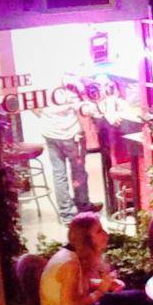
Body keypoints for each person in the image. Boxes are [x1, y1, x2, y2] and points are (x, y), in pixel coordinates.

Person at [39, 212, 149, 305]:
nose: (105, 234)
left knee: (138, 297)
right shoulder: (70, 264)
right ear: (85, 239)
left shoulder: (74, 254)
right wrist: (100, 291)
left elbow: (79, 284)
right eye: (99, 231)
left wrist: (105, 283)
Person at [36, 79, 102, 223]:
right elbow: (84, 108)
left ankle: (66, 214)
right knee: (78, 172)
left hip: (50, 133)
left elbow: (33, 106)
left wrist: (47, 117)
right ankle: (83, 207)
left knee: (59, 174)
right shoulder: (70, 84)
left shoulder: (38, 82)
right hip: (71, 135)